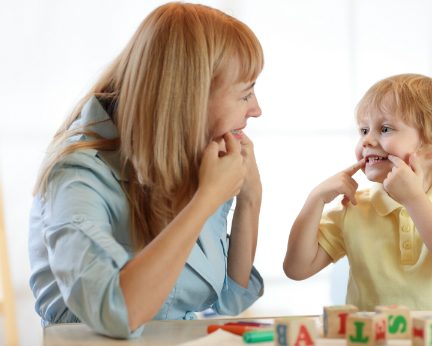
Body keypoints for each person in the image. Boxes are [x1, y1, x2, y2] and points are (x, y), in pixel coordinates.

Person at [28, 2, 264, 339]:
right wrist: (206, 200)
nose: (257, 109)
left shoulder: (191, 156)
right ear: (191, 99)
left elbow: (230, 296)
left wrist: (250, 199)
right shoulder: (77, 175)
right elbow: (118, 313)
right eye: (245, 94)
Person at [283, 73, 432, 311]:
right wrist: (315, 199)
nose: (367, 140)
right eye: (363, 131)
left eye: (385, 129)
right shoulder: (353, 207)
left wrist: (413, 199)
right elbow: (296, 269)